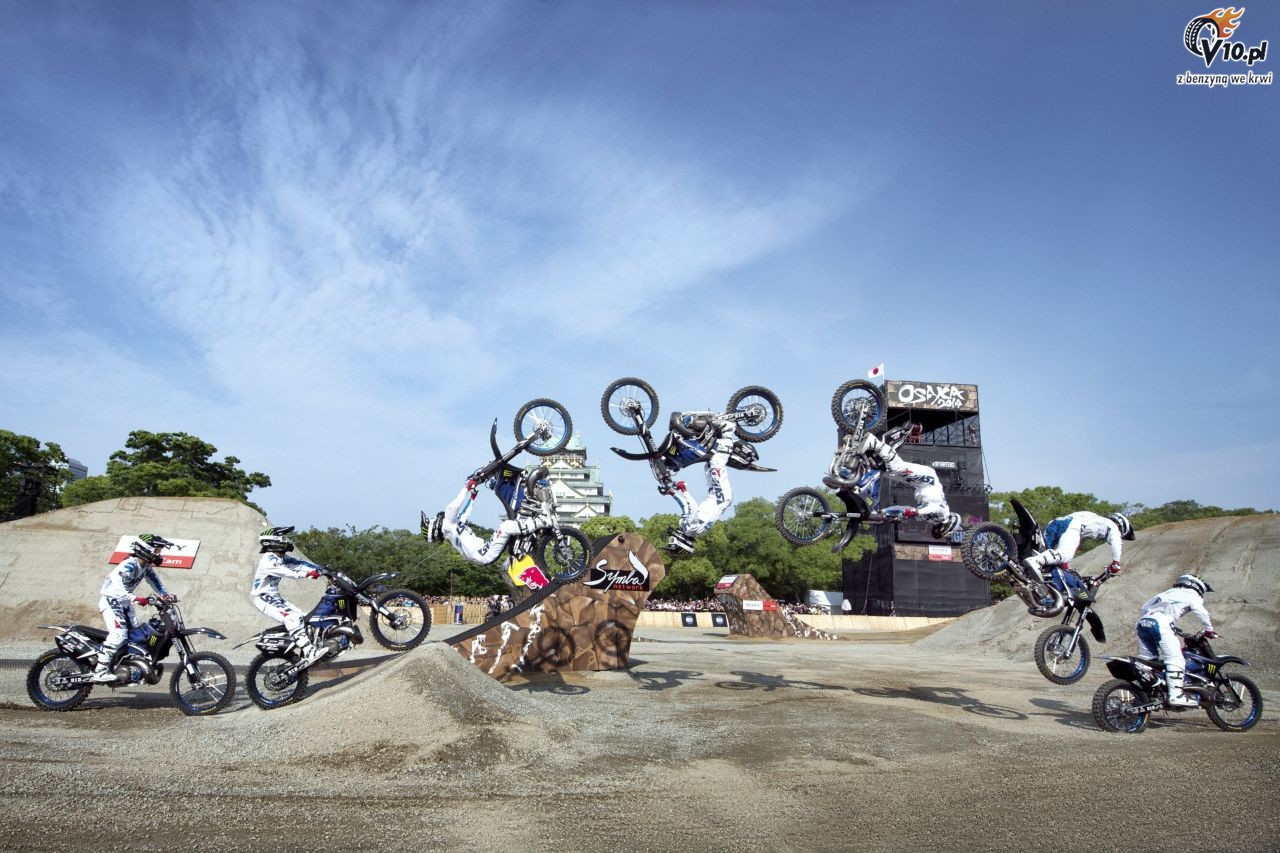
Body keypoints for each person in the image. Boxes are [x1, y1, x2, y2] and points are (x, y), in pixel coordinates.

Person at [839, 426, 961, 539]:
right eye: (942, 532)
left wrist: (885, 512)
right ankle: (873, 442)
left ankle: (855, 459)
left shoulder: (930, 519)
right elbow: (935, 508)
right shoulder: (944, 515)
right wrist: (917, 511)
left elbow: (904, 509)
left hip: (917, 484)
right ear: (949, 526)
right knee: (896, 467)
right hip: (927, 479)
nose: (937, 531)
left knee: (885, 470)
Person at [92, 533, 176, 682]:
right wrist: (134, 598)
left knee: (135, 636)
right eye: (157, 550)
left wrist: (165, 595)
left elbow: (155, 581)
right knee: (119, 634)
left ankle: (127, 667)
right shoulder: (129, 564)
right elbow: (118, 583)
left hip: (124, 602)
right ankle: (100, 670)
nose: (159, 554)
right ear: (146, 549)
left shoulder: (145, 566)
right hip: (112, 600)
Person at [420, 469, 551, 565]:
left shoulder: (450, 529)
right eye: (432, 520)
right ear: (434, 528)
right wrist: (468, 486)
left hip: (481, 553)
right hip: (483, 553)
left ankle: (533, 525)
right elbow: (454, 506)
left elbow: (464, 515)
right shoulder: (447, 524)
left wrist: (472, 498)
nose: (436, 519)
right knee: (506, 527)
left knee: (511, 525)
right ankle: (542, 522)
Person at [659, 413, 739, 553]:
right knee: (717, 463)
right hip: (721, 499)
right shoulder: (691, 528)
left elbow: (684, 507)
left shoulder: (687, 527)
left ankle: (713, 437)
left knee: (708, 464)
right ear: (681, 542)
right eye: (673, 541)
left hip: (714, 497)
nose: (672, 537)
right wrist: (683, 490)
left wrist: (672, 493)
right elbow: (691, 507)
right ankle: (728, 431)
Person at [1136, 573, 1218, 707]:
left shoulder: (1166, 593)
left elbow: (1144, 608)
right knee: (1175, 659)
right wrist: (1209, 629)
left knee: (1148, 660)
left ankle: (1145, 691)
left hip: (1143, 621)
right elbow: (1201, 612)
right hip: (1161, 622)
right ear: (1197, 586)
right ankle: (1176, 695)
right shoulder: (1191, 594)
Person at [250, 525, 330, 660]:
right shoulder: (268, 560)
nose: (287, 541)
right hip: (263, 598)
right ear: (273, 541)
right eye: (283, 538)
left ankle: (308, 648)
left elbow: (299, 563)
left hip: (275, 597)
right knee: (292, 618)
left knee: (305, 619)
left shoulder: (281, 558)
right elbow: (287, 572)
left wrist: (322, 569)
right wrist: (307, 574)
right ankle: (309, 652)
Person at [1021, 510, 1134, 580]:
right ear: (1121, 526)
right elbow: (1117, 542)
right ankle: (1035, 561)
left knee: (1046, 555)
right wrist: (1116, 563)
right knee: (1065, 554)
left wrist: (1064, 565)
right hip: (1072, 526)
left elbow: (1075, 543)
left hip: (1057, 523)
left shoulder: (1093, 518)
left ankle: (1022, 566)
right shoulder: (1112, 526)